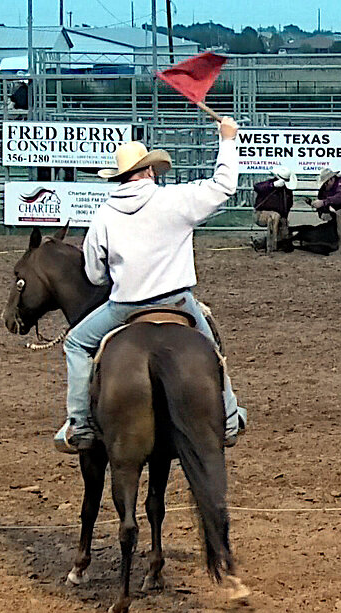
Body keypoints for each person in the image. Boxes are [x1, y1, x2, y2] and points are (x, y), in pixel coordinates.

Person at [55, 121, 247, 453]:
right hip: (178, 302)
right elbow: (224, 185)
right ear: (149, 172)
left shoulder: (103, 216)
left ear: (119, 177)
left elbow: (95, 274)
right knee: (211, 347)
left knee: (75, 344)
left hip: (125, 306)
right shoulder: (175, 200)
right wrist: (227, 140)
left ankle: (80, 421)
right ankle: (229, 417)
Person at [253, 165, 296, 253]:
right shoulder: (268, 184)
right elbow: (257, 187)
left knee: (284, 236)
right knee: (274, 217)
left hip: (280, 216)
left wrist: (284, 221)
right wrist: (272, 185)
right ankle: (271, 247)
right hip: (261, 213)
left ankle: (261, 242)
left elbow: (288, 205)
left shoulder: (287, 191)